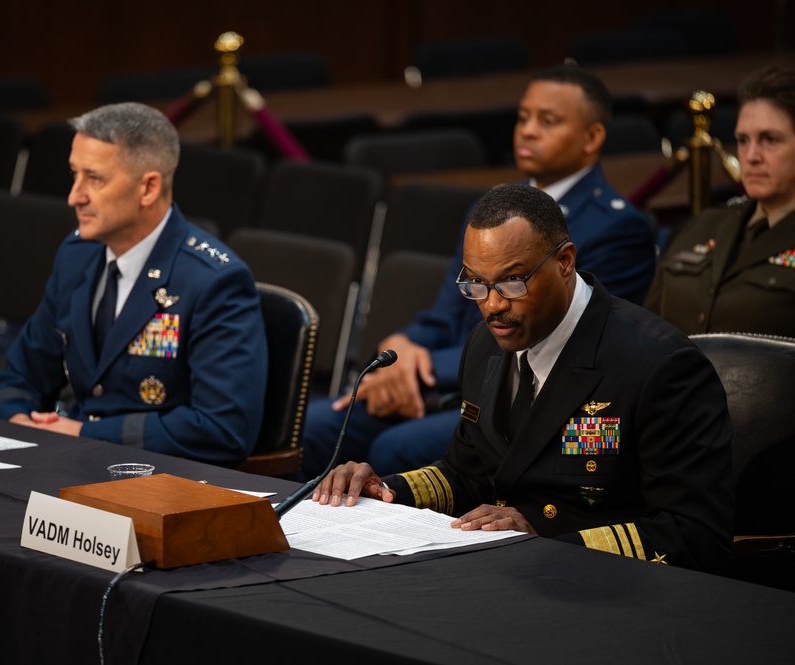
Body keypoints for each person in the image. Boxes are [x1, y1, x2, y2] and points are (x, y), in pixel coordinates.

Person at [313, 184, 734, 573]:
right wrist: (383, 491)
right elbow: (468, 475)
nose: (492, 305)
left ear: (565, 262)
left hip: (609, 593)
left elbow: (695, 534)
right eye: (476, 284)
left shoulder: (658, 365)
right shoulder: (485, 344)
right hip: (508, 574)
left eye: (512, 282)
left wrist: (545, 534)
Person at [299, 64, 657, 480]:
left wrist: (420, 368)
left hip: (524, 393)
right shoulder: (492, 212)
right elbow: (446, 314)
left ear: (593, 137)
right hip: (444, 379)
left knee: (396, 449)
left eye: (548, 120)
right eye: (523, 117)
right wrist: (404, 346)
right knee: (315, 428)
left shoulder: (616, 227)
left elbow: (552, 338)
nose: (527, 130)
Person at [0, 102, 268, 466]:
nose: (74, 196)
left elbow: (222, 428)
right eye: (75, 175)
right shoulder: (77, 255)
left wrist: (83, 434)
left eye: (95, 179)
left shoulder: (213, 281)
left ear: (148, 188)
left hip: (159, 483)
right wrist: (19, 422)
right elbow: (19, 375)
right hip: (68, 464)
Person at [645, 66, 795, 336]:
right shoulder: (708, 222)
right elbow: (646, 328)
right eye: (742, 140)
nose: (751, 156)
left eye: (770, 140)